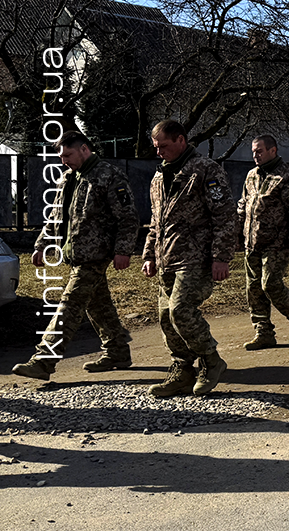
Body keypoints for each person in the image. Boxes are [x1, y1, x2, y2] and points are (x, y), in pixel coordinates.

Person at [12, 132, 139, 381]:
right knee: (98, 304)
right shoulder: (68, 178)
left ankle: (43, 361)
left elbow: (127, 218)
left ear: (84, 149)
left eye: (68, 155)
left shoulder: (108, 175)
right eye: (61, 156)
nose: (64, 161)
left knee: (69, 305)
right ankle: (117, 352)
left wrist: (123, 250)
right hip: (76, 254)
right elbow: (56, 215)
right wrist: (41, 244)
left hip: (96, 255)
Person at [142, 120, 238, 397]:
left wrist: (221, 257)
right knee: (164, 317)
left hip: (196, 257)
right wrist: (149, 254)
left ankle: (211, 360)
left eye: (164, 146)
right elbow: (155, 222)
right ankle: (183, 369)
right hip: (166, 258)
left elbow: (225, 215)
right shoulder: (159, 178)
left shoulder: (205, 170)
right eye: (156, 147)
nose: (159, 152)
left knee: (180, 310)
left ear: (181, 140)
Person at [236, 134, 289, 351]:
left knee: (270, 284)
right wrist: (237, 233)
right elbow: (243, 204)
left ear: (273, 151)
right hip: (252, 242)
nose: (255, 155)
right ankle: (263, 332)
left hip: (276, 243)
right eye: (253, 151)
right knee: (254, 288)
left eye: (259, 151)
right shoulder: (251, 176)